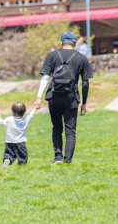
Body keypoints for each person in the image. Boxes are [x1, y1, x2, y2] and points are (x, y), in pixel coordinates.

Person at [33, 31, 93, 164]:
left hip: (54, 96)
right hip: (71, 98)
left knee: (57, 128)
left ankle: (57, 157)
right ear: (75, 44)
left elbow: (45, 77)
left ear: (61, 43)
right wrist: (84, 103)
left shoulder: (52, 55)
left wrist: (39, 97)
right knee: (70, 130)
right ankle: (68, 160)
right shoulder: (82, 58)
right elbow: (85, 82)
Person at [0, 101, 37, 169]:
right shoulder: (25, 121)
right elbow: (31, 116)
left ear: (12, 111)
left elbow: (0, 122)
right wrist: (35, 108)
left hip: (9, 142)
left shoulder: (9, 119)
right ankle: (22, 165)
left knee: (9, 154)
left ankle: (7, 160)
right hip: (20, 142)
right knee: (22, 156)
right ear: (24, 112)